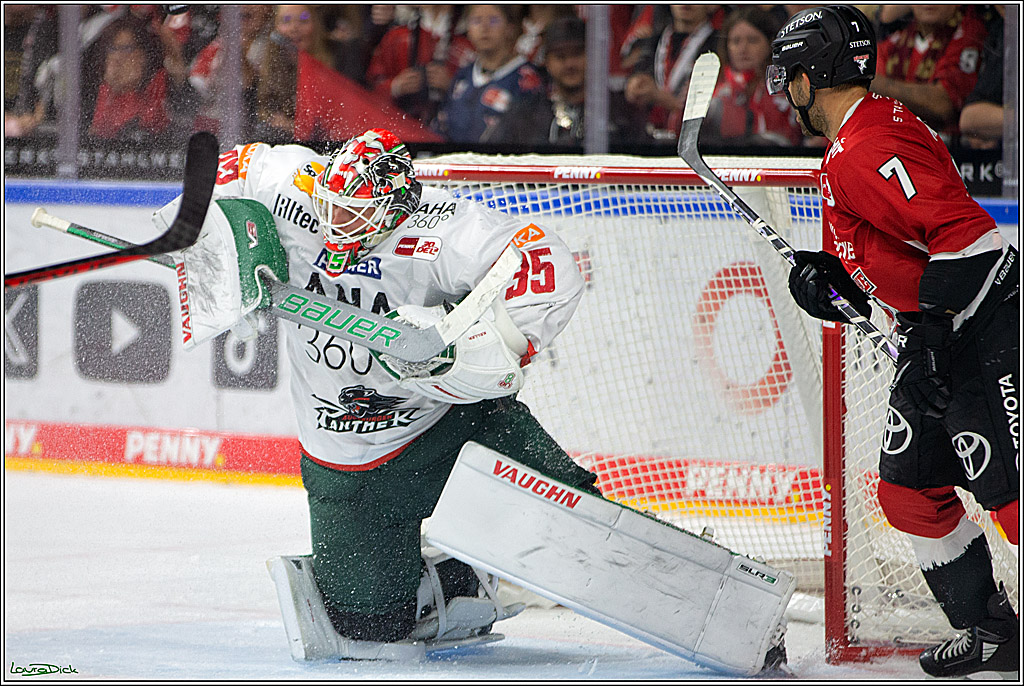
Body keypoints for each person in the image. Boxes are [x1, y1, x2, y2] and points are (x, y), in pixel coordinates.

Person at [158, 127, 598, 650]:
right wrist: (207, 251)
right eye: (331, 206)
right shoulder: (290, 186)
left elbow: (546, 264)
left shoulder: (444, 230)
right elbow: (229, 173)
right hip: (341, 455)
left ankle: (586, 542)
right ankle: (461, 578)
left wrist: (472, 345)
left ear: (393, 209)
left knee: (585, 540)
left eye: (354, 212)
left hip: (446, 427)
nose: (336, 222)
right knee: (369, 628)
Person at [769, 6, 1019, 679]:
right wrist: (835, 280)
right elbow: (893, 250)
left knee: (1012, 497)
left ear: (808, 76)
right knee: (907, 490)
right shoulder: (860, 136)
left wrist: (936, 339)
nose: (784, 91)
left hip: (984, 327)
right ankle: (992, 629)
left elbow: (969, 239)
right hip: (934, 332)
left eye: (788, 76)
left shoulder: (867, 145)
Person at [492, 16, 647, 149]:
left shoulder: (623, 113)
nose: (569, 64)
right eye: (560, 56)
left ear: (593, 56)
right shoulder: (524, 115)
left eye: (577, 54)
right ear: (547, 61)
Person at [870, 4, 988, 142]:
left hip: (951, 151)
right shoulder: (896, 41)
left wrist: (874, 83)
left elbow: (943, 105)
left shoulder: (970, 31)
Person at [434, 5, 545, 144]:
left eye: (493, 20)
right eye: (476, 21)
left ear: (510, 28)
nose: (484, 28)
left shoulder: (528, 79)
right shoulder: (462, 77)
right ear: (467, 28)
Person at [703, 6, 803, 147]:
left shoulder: (788, 87)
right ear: (726, 46)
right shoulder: (710, 89)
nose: (743, 49)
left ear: (770, 43)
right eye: (736, 41)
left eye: (752, 40)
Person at [365, 5, 475, 127]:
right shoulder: (397, 37)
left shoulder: (467, 45)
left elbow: (481, 96)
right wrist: (395, 86)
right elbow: (370, 86)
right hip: (399, 126)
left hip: (449, 132)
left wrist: (452, 88)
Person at [623, 5, 719, 141]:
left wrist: (664, 100)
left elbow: (720, 111)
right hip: (649, 142)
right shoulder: (651, 42)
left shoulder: (721, 45)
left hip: (699, 143)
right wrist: (634, 87)